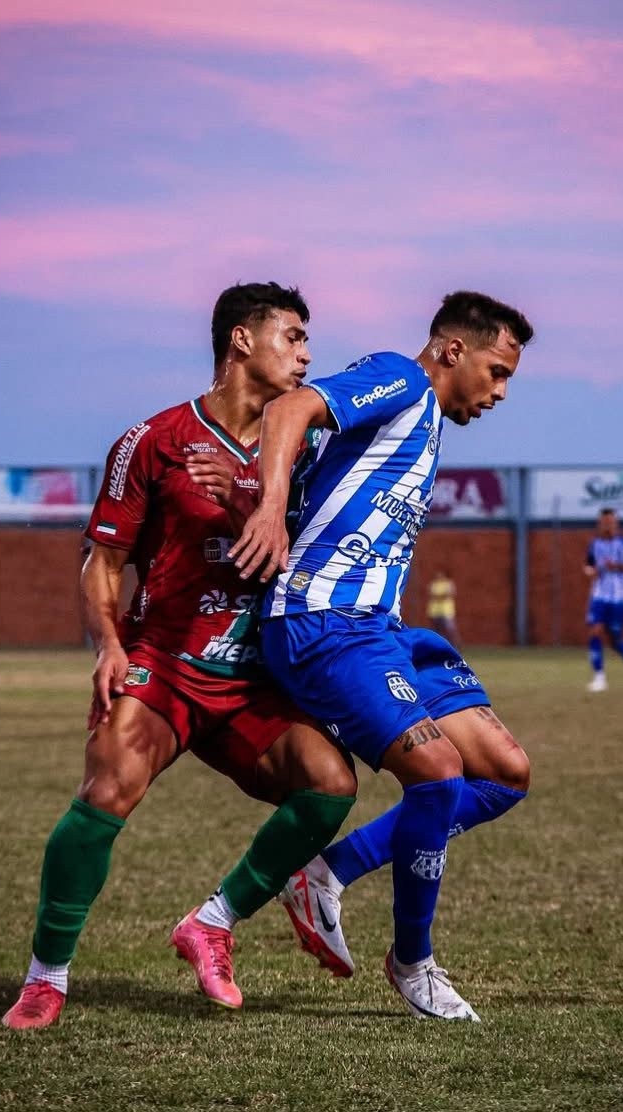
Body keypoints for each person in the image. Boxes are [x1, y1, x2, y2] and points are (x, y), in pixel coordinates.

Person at [2, 282, 357, 1029]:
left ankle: (211, 923)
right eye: (292, 337)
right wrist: (106, 646)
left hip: (254, 677)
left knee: (328, 787)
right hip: (162, 665)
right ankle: (45, 977)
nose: (306, 354)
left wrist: (243, 496)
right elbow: (102, 561)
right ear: (240, 341)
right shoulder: (152, 441)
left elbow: (311, 558)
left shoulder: (310, 449)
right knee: (103, 795)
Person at [231, 290, 535, 1022]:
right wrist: (267, 509)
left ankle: (329, 872)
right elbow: (287, 410)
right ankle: (413, 963)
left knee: (503, 773)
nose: (498, 393)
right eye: (495, 372)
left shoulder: (424, 423)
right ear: (452, 351)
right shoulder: (400, 377)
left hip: (381, 628)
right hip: (322, 616)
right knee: (437, 773)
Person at [583, 507, 623, 692]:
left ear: (616, 523)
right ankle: (599, 678)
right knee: (595, 631)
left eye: (610, 522)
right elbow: (588, 564)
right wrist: (589, 571)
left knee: (614, 638)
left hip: (620, 597)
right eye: (604, 522)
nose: (607, 525)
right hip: (600, 595)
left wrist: (617, 566)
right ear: (600, 524)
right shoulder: (594, 544)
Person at [425, 568, 459, 647]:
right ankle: (437, 646)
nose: (439, 575)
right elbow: (431, 594)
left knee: (450, 630)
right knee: (436, 631)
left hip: (446, 611)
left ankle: (454, 646)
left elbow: (449, 594)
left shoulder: (448, 584)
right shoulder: (433, 584)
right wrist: (442, 595)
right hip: (434, 611)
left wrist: (439, 596)